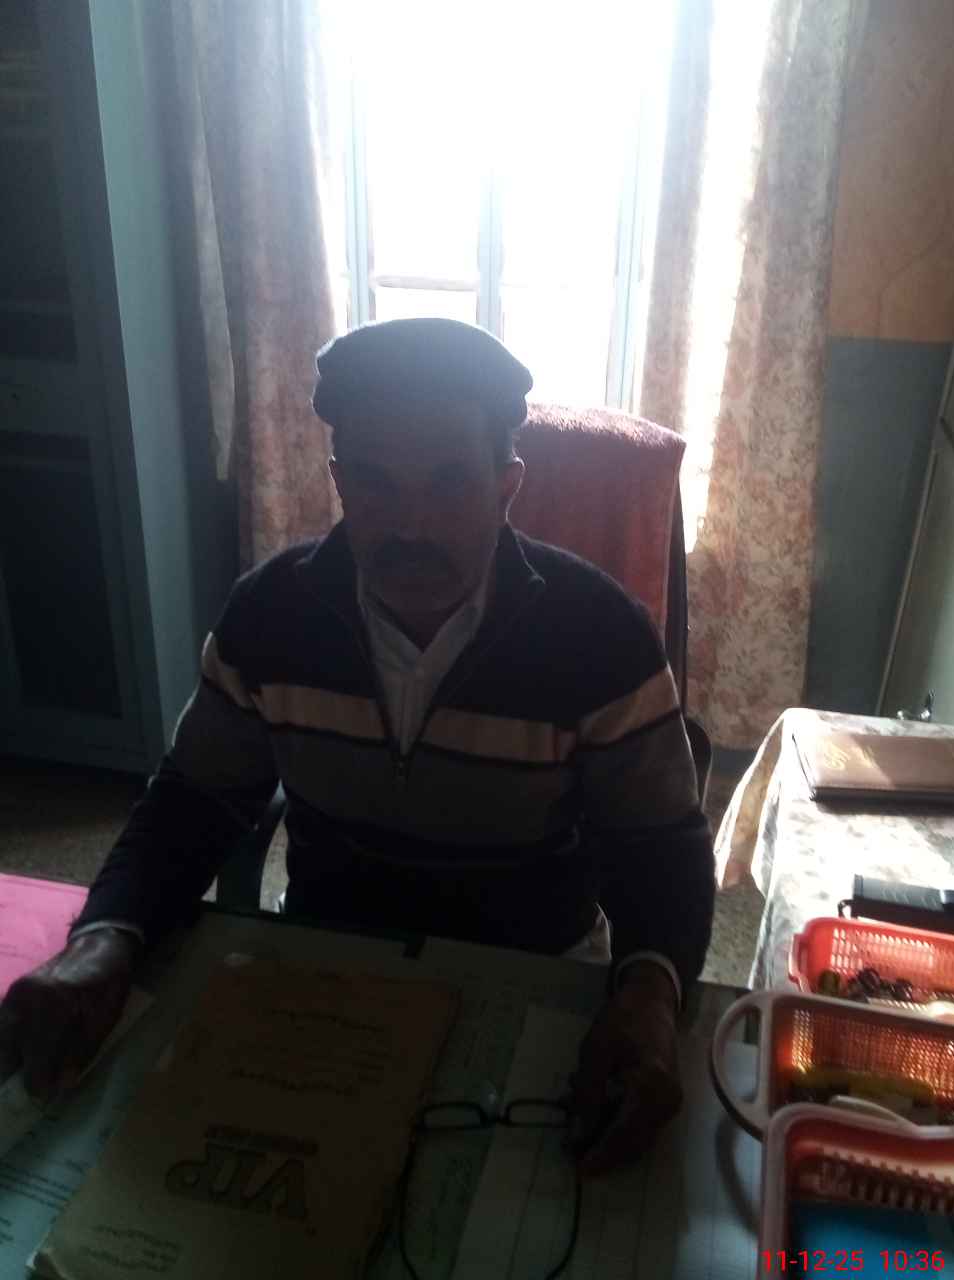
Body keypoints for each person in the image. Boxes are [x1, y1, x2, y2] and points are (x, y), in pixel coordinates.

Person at [0, 318, 714, 1175]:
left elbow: (660, 845)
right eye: (374, 482)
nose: (410, 525)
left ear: (506, 484)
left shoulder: (601, 637)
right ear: (338, 481)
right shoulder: (269, 616)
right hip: (324, 967)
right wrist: (103, 937)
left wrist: (651, 994)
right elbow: (191, 800)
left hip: (535, 976)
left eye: (448, 483)